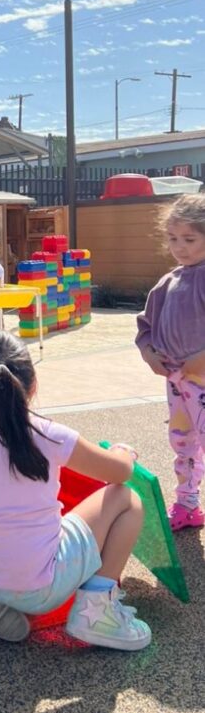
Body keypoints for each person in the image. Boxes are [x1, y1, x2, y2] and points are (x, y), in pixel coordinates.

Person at [0, 328, 152, 650]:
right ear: (32, 384)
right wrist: (123, 451)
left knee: (0, 532)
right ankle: (96, 612)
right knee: (127, 500)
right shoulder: (48, 435)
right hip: (41, 587)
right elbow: (120, 473)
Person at [136, 193, 205, 532]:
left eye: (190, 239)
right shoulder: (168, 283)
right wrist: (149, 353)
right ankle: (187, 503)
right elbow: (145, 327)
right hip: (177, 381)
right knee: (183, 442)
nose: (180, 246)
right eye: (173, 238)